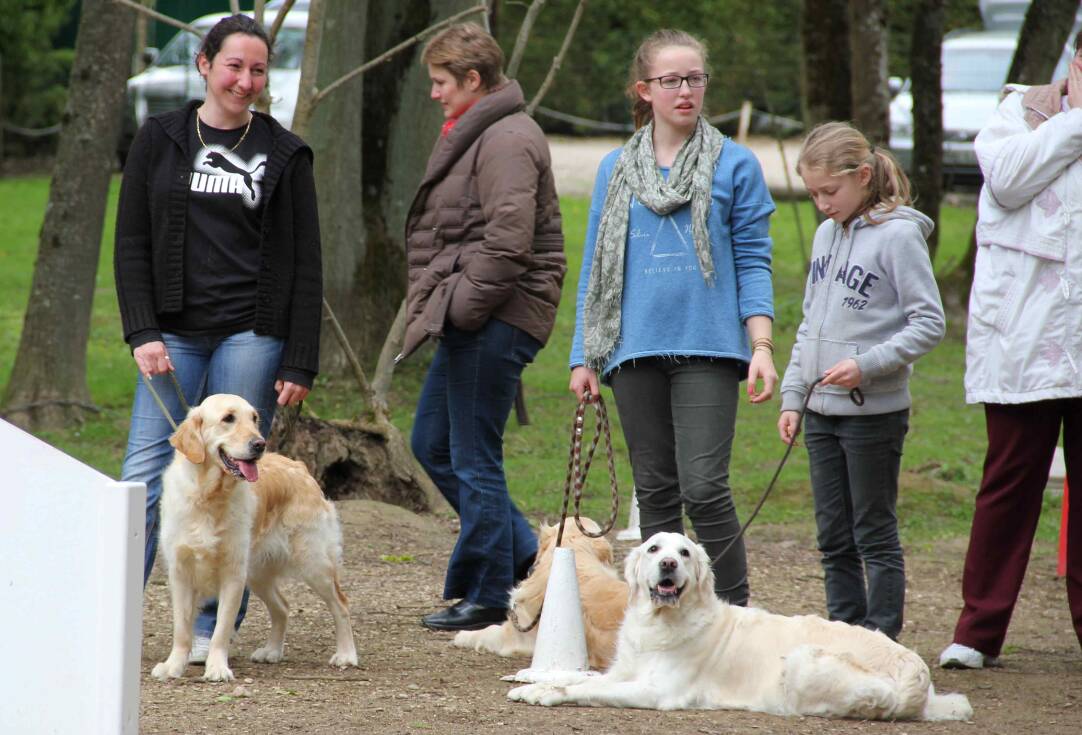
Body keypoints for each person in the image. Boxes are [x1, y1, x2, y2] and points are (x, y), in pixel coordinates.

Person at [114, 14, 321, 660]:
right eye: (234, 65)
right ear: (205, 65)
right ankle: (112, 616)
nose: (245, 80)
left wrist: (300, 358)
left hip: (250, 334)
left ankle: (207, 631)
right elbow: (130, 244)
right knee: (145, 475)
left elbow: (307, 261)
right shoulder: (160, 139)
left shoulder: (285, 155)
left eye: (258, 69)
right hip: (171, 334)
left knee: (233, 476)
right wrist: (142, 329)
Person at [569, 29, 777, 606]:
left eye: (696, 79)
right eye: (672, 80)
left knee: (705, 488)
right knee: (656, 492)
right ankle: (658, 619)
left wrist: (760, 344)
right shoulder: (616, 168)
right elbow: (596, 267)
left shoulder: (736, 164)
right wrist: (583, 356)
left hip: (709, 347)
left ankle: (732, 616)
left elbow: (755, 261)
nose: (686, 90)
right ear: (646, 89)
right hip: (632, 349)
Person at [400, 23, 566, 632]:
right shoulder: (480, 132)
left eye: (442, 83)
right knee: (432, 444)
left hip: (494, 316)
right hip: (477, 313)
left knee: (472, 459)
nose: (435, 94)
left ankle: (494, 594)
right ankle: (526, 558)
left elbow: (508, 239)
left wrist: (463, 308)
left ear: (474, 80)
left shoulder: (505, 139)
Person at [939, 37, 1082, 670]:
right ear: (1076, 63)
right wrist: (1077, 121)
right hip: (1022, 339)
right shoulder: (1018, 112)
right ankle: (978, 631)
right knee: (1008, 486)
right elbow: (1009, 178)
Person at [777, 121, 945, 641]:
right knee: (832, 536)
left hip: (873, 414)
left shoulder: (898, 236)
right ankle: (842, 634)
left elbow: (929, 323)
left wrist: (868, 364)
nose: (822, 203)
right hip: (820, 412)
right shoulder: (828, 234)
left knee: (873, 532)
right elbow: (810, 322)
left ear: (864, 176)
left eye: (830, 191)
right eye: (813, 194)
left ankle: (880, 640)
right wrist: (792, 395)